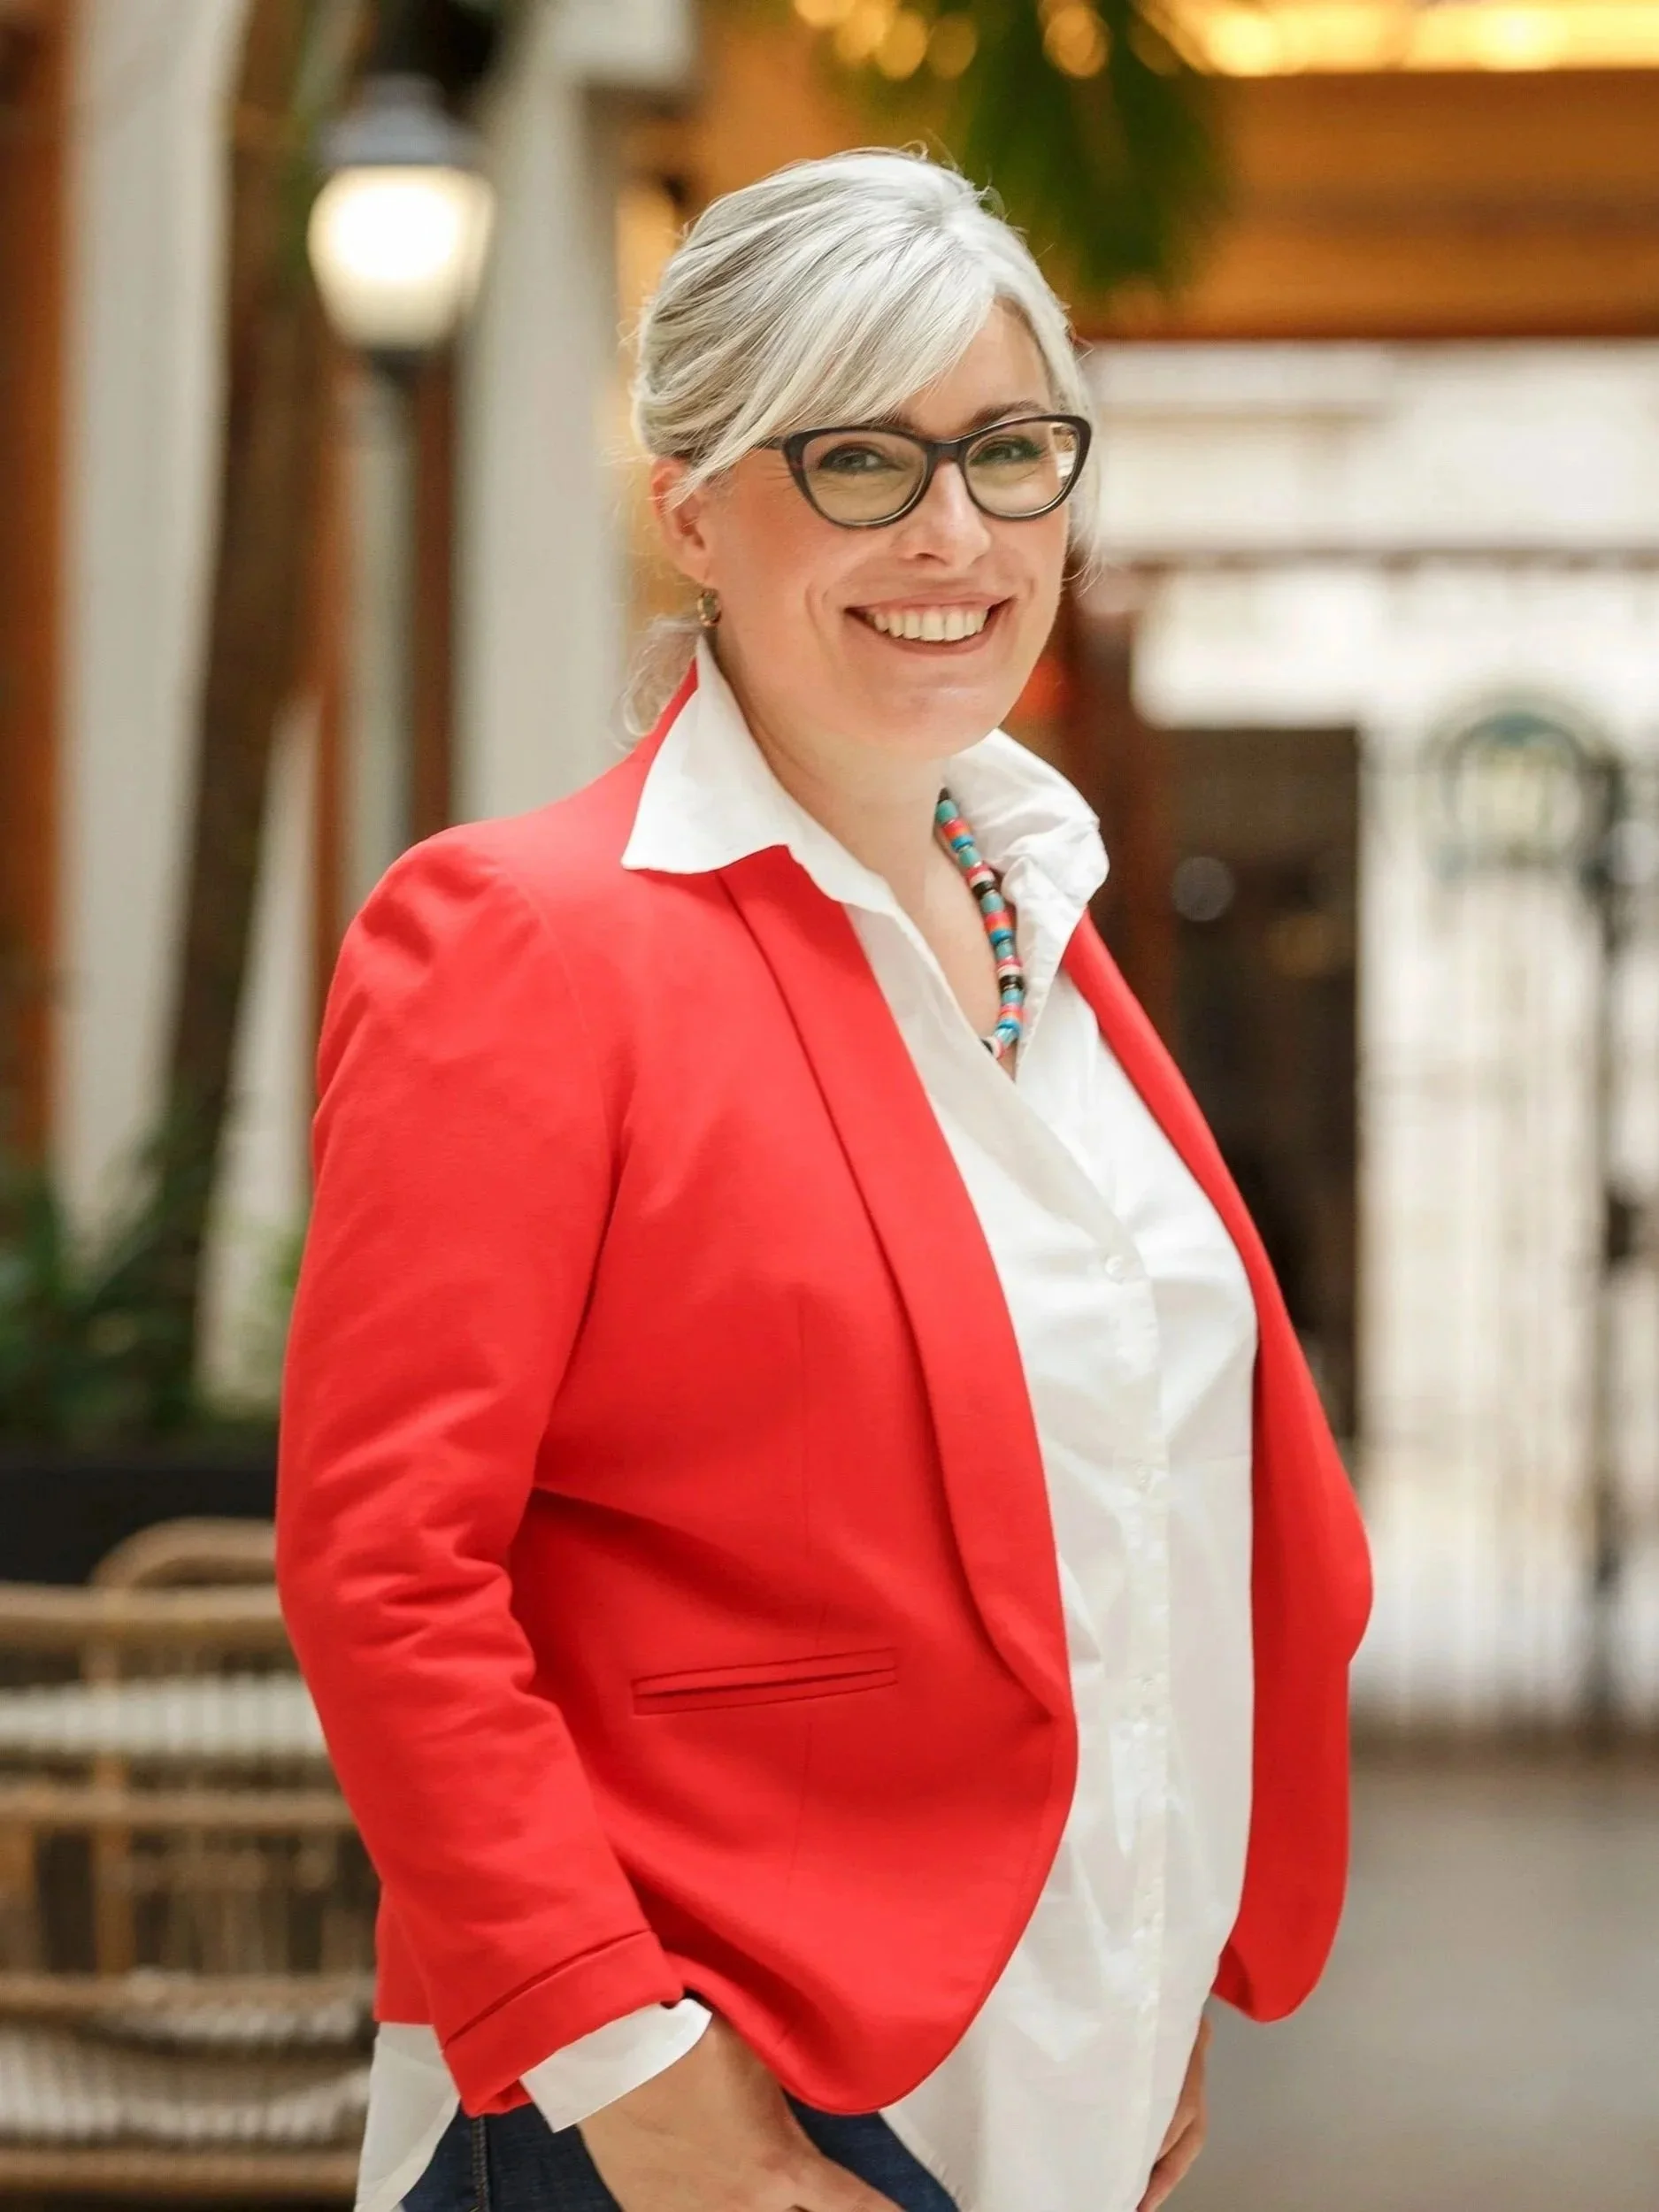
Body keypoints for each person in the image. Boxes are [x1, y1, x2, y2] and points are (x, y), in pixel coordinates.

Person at [276, 148, 1372, 2212]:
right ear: (691, 503)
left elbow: (1127, 1496)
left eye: (1012, 452)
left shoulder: (1049, 923)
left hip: (1057, 2074)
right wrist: (639, 2074)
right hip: (715, 2102)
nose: (954, 532)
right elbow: (385, 1567)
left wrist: (1148, 1970)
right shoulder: (521, 941)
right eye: (858, 459)